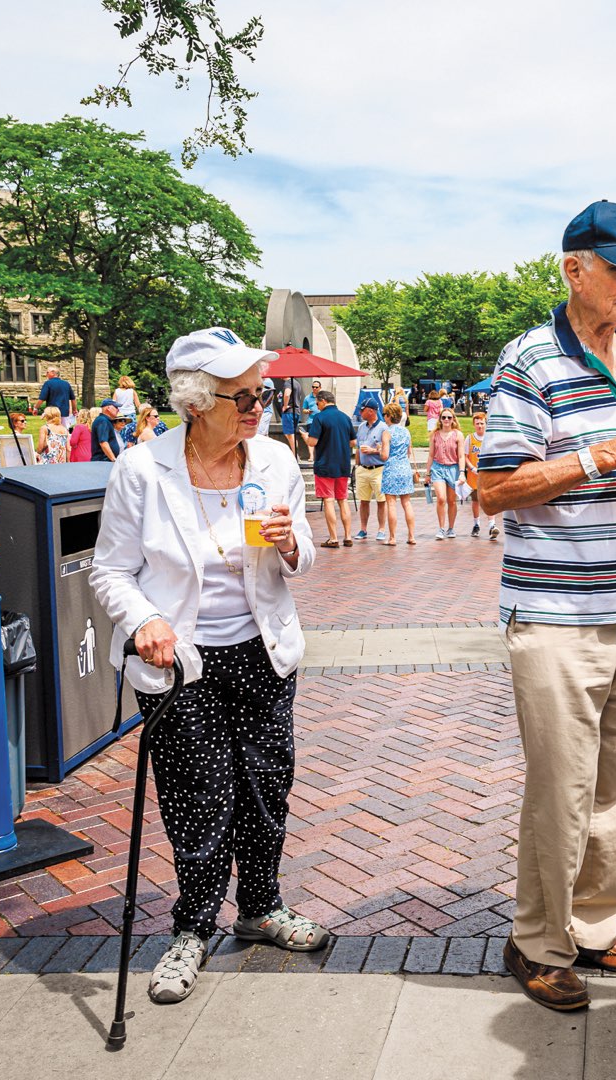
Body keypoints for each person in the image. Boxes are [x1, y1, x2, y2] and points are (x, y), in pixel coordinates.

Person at [477, 199, 616, 1012]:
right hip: (558, 615)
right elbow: (494, 488)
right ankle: (538, 942)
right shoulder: (530, 359)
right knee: (562, 787)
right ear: (574, 269)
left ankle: (594, 929)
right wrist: (607, 453)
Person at [90, 326, 328, 1007]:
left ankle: (260, 907)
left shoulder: (275, 461)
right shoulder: (142, 469)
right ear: (196, 402)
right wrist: (145, 620)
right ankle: (192, 927)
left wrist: (291, 545)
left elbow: (304, 553)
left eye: (262, 394)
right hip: (181, 662)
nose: (257, 408)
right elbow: (110, 571)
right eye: (241, 397)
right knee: (198, 797)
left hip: (262, 653)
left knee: (266, 788)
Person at [305, 389, 356, 547]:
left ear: (323, 401)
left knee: (328, 500)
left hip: (325, 464)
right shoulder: (345, 417)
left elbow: (312, 442)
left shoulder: (319, 418)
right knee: (343, 499)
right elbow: (353, 442)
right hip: (343, 464)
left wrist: (305, 437)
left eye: (317, 403)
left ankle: (333, 538)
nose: (317, 407)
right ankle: (348, 536)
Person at [380, 401, 419, 545]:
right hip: (405, 468)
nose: (384, 417)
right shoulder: (406, 431)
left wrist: (378, 450)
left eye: (384, 414)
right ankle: (411, 536)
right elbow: (408, 452)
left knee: (391, 504)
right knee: (407, 503)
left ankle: (392, 538)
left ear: (389, 416)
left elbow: (385, 455)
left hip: (391, 469)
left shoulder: (387, 432)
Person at [354, 400, 390, 541]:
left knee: (381, 501)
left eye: (362, 410)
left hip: (378, 469)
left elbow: (386, 452)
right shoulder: (361, 427)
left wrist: (373, 451)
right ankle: (363, 529)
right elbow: (358, 447)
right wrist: (356, 465)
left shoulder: (383, 428)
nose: (360, 412)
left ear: (371, 411)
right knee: (364, 501)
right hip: (363, 469)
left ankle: (381, 529)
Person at [428, 409, 464, 540]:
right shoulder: (435, 435)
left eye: (449, 417)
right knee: (441, 498)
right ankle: (441, 528)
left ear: (453, 419)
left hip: (453, 468)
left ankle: (451, 528)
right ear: (440, 419)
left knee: (452, 501)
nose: (446, 420)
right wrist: (427, 473)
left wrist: (462, 472)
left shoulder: (458, 435)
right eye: (444, 417)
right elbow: (431, 455)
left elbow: (461, 456)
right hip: (438, 468)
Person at [464, 411, 498, 539]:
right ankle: (476, 524)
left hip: (487, 475)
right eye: (477, 423)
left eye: (482, 423)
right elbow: (465, 456)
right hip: (474, 475)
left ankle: (492, 525)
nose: (480, 426)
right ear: (474, 424)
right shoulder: (470, 438)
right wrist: (471, 468)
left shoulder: (490, 438)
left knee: (489, 499)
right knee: (475, 500)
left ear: (486, 424)